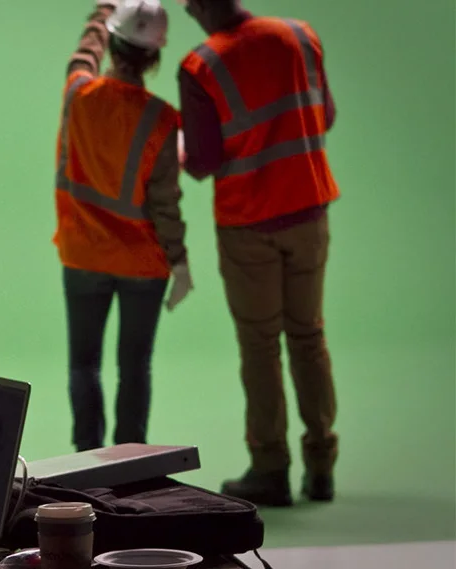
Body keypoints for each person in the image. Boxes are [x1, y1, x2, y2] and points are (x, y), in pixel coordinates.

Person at [177, 0, 340, 506]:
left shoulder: (202, 65)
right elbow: (326, 115)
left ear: (202, 5)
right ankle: (321, 467)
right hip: (309, 210)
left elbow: (203, 161)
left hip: (248, 223)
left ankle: (271, 469)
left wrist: (180, 152)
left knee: (260, 345)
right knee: (308, 335)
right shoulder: (300, 34)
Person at [54, 0, 193, 453]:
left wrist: (103, 10)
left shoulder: (79, 94)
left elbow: (82, 57)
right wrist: (181, 263)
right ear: (155, 56)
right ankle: (130, 466)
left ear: (111, 42)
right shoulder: (161, 118)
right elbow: (165, 205)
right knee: (135, 367)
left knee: (83, 366)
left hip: (83, 254)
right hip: (141, 264)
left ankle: (86, 465)